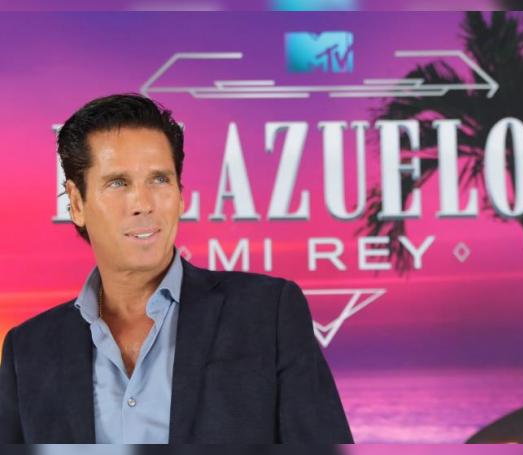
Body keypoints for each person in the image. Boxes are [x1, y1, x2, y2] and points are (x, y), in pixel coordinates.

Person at [0, 94, 353, 444]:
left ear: (181, 195)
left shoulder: (266, 312)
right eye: (118, 182)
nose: (143, 203)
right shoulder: (28, 351)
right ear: (77, 203)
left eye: (159, 179)